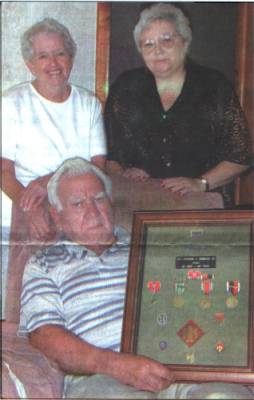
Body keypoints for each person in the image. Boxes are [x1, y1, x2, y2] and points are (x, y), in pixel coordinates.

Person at [19, 157, 254, 399]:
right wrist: (117, 365)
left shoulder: (151, 243)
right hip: (101, 378)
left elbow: (204, 300)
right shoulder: (44, 263)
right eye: (78, 204)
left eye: (99, 199)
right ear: (57, 217)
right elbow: (45, 336)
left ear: (111, 203)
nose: (92, 211)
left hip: (182, 368)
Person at [104, 3, 253, 207]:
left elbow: (241, 155)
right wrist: (124, 173)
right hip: (141, 201)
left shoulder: (214, 86)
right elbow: (111, 155)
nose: (158, 50)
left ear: (184, 42)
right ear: (140, 51)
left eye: (167, 40)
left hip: (199, 203)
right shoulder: (125, 88)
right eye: (148, 44)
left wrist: (201, 183)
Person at [1, 17, 107, 242]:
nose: (53, 64)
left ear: (71, 58)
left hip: (78, 211)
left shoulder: (89, 103)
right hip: (23, 207)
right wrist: (29, 209)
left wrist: (48, 182)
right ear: (30, 64)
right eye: (43, 56)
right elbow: (4, 172)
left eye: (60, 54)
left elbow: (98, 166)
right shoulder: (11, 103)